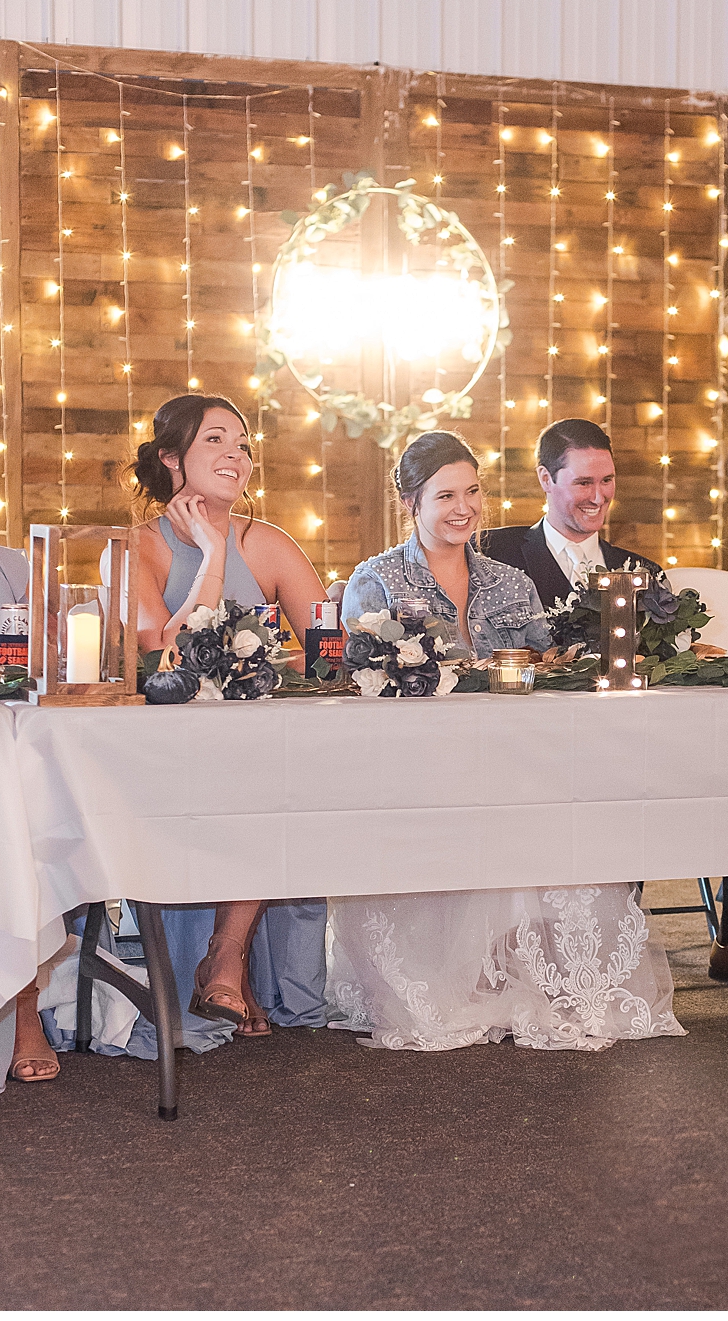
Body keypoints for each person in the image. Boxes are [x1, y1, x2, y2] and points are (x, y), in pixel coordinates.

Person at [328, 430, 683, 1049]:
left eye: (472, 492)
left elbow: (547, 675)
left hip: (515, 764)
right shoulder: (377, 578)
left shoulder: (511, 582)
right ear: (411, 503)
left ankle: (538, 969)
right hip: (422, 768)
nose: (463, 508)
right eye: (445, 496)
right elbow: (364, 691)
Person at [481, 418, 728, 992]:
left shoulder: (644, 572)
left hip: (633, 744)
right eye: (584, 482)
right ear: (545, 479)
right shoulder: (497, 553)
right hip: (534, 749)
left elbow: (665, 667)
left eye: (607, 480)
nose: (599, 496)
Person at [99, 394, 329, 1065]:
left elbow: (329, 650)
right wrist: (211, 552)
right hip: (161, 753)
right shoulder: (132, 549)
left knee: (276, 772)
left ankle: (226, 957)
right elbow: (163, 659)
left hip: (255, 745)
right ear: (171, 458)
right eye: (216, 440)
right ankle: (225, 964)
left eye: (244, 443)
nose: (237, 455)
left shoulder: (272, 542)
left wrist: (275, 661)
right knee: (255, 779)